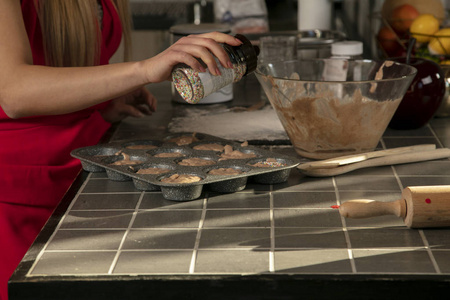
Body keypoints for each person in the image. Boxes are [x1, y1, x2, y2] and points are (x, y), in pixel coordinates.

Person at [0, 1, 242, 299]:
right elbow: (14, 92)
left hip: (87, 165)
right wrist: (143, 70)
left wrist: (101, 98)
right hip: (22, 196)